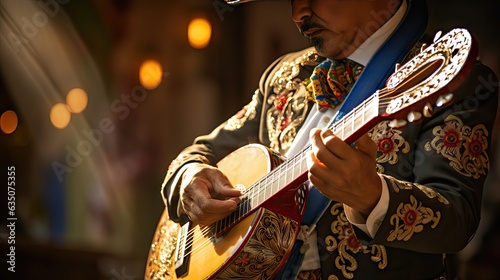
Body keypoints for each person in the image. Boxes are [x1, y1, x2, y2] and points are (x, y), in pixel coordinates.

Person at [159, 0, 499, 279]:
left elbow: (457, 221)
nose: (298, 14)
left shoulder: (463, 83)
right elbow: (199, 152)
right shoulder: (283, 75)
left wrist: (373, 196)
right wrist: (188, 180)